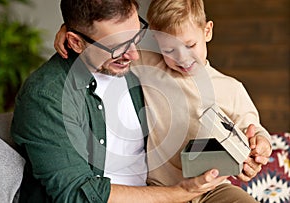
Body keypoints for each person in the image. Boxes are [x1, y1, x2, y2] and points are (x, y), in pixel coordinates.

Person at [11, 0, 230, 202]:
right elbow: (78, 194)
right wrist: (182, 192)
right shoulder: (47, 96)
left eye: (136, 37)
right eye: (118, 47)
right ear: (76, 42)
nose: (134, 54)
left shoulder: (136, 68)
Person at [54, 0, 272, 202]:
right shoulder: (149, 65)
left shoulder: (230, 88)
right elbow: (106, 43)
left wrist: (260, 146)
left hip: (212, 187)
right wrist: (72, 32)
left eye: (190, 45)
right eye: (169, 49)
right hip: (162, 189)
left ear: (207, 31)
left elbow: (254, 130)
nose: (182, 57)